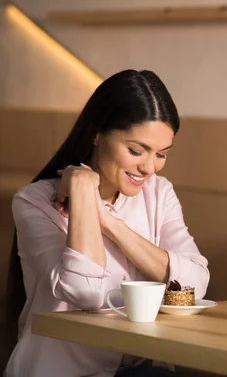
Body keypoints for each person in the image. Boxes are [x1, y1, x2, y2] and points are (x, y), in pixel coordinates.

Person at [5, 70, 210, 377]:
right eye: (136, 151)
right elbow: (85, 291)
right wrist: (85, 192)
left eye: (162, 154)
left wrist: (108, 222)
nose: (149, 167)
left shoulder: (159, 193)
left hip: (143, 370)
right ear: (97, 133)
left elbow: (195, 285)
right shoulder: (33, 202)